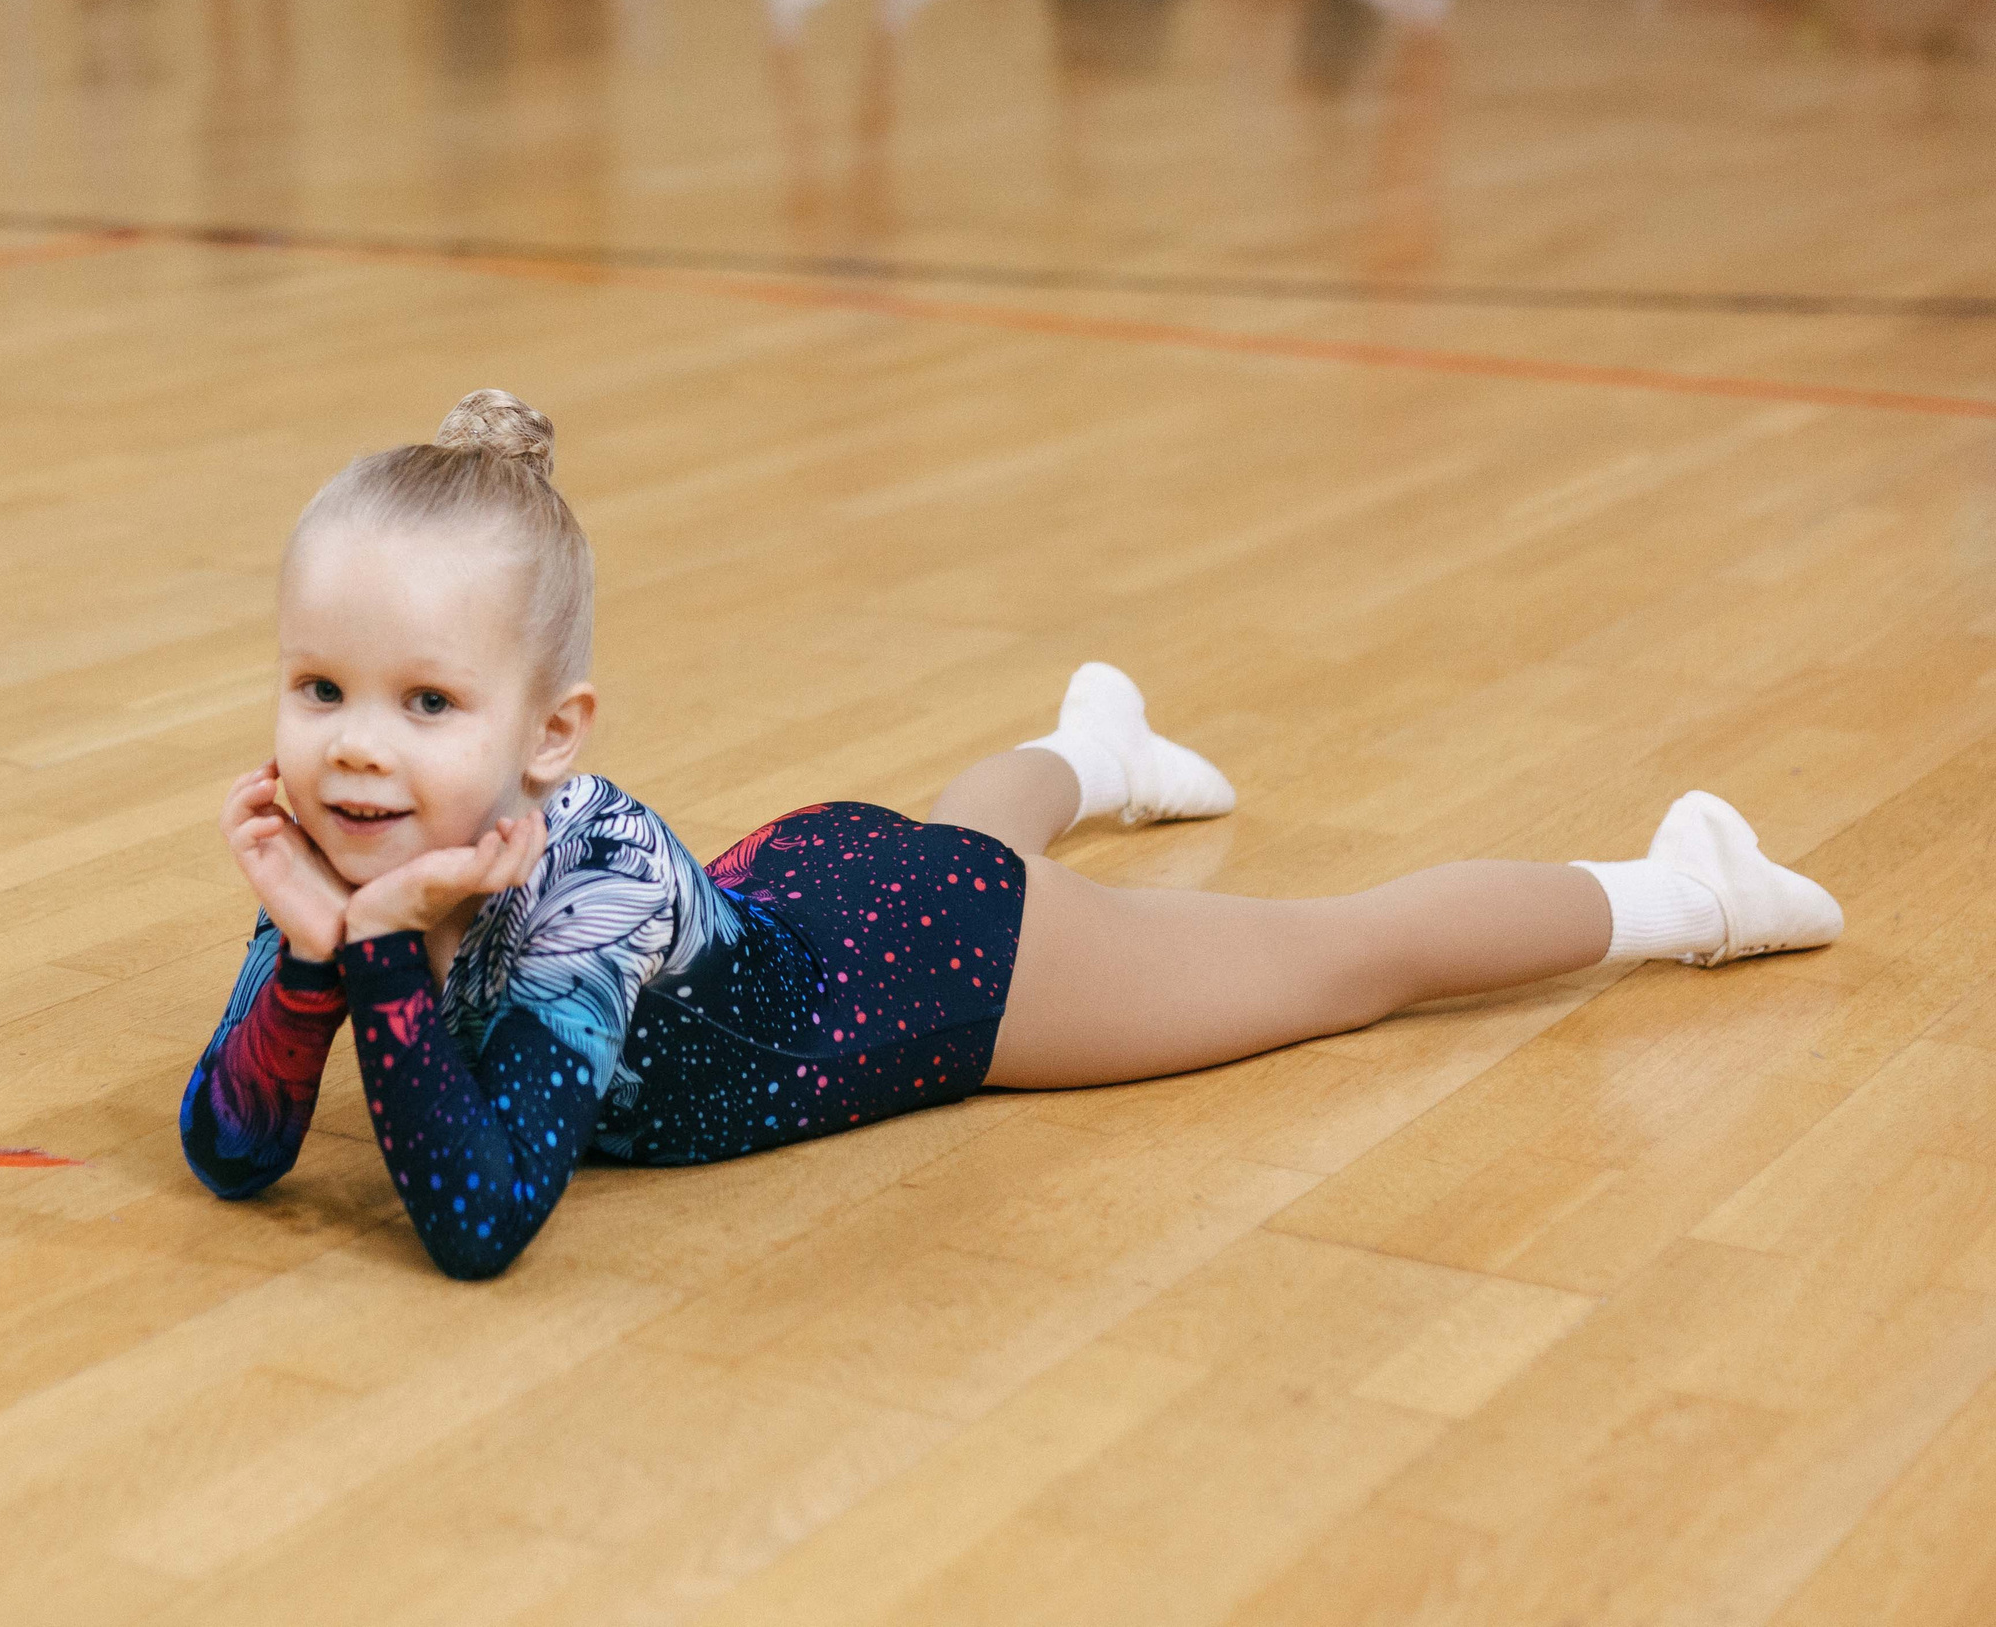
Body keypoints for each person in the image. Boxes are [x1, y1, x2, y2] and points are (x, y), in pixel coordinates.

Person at [177, 391, 1843, 1279]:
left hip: (937, 975)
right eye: (319, 687)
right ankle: (1091, 744)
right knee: (963, 844)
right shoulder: (361, 839)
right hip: (820, 895)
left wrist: (372, 957)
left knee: (1345, 957)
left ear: (554, 737)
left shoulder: (580, 897)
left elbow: (478, 1225)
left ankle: (1685, 885)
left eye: (423, 704)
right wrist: (316, 959)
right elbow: (233, 1145)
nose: (353, 751)